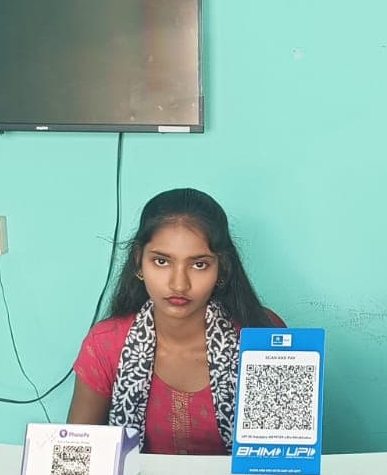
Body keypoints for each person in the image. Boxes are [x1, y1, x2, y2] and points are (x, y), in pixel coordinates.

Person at [67, 188, 282, 455]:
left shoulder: (263, 333)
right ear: (138, 262)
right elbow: (77, 455)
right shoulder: (106, 344)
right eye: (161, 261)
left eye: (199, 265)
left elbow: (282, 460)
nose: (179, 284)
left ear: (222, 268)